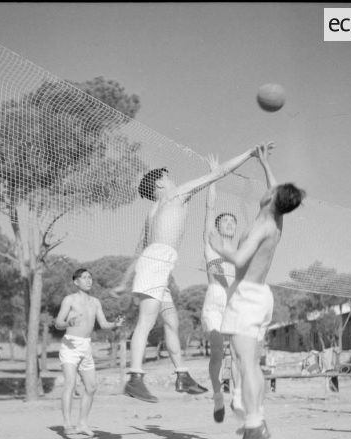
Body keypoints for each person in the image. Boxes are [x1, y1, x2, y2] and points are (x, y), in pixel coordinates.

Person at [112, 146, 261, 403]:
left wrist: (125, 282)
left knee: (171, 321)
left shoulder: (153, 212)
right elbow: (221, 173)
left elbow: (139, 250)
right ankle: (135, 377)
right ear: (159, 183)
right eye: (168, 176)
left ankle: (181, 374)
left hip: (157, 263)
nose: (173, 179)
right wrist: (249, 154)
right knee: (146, 321)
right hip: (157, 262)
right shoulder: (175, 195)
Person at [210, 142, 305, 439]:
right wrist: (264, 163)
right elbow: (276, 188)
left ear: (270, 199)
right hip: (261, 295)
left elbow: (238, 259)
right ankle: (254, 421)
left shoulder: (263, 224)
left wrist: (218, 245)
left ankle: (254, 423)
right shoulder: (276, 219)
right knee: (248, 363)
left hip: (247, 295)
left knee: (245, 363)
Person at [55, 268, 124, 437]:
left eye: (90, 278)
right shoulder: (69, 300)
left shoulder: (95, 302)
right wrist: (68, 322)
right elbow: (58, 323)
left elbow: (103, 324)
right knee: (70, 383)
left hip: (85, 346)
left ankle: (82, 424)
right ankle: (67, 424)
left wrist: (115, 324)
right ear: (76, 282)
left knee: (91, 387)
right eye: (84, 277)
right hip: (70, 345)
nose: (88, 280)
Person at [201, 178, 243, 422]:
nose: (229, 223)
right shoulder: (211, 245)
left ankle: (237, 397)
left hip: (234, 303)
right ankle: (218, 396)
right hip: (216, 301)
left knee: (237, 354)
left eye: (232, 222)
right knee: (217, 353)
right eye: (225, 221)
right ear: (217, 227)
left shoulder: (237, 252)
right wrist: (214, 178)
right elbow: (209, 211)